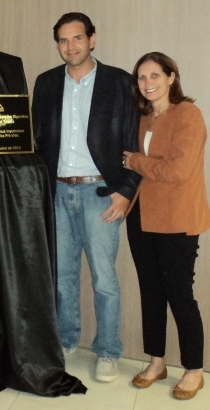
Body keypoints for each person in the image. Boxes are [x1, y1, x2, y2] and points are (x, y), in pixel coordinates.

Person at [32, 12, 140, 382]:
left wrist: (126, 192)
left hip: (101, 194)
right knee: (62, 277)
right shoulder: (46, 83)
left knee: (104, 279)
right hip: (58, 192)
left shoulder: (119, 82)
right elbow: (36, 142)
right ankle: (64, 341)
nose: (70, 46)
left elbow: (134, 143)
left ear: (92, 39)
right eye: (63, 40)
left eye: (77, 38)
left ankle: (108, 351)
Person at [124, 52, 209, 400]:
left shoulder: (188, 114)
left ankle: (194, 369)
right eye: (142, 77)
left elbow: (178, 170)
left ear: (171, 77)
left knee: (179, 293)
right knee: (151, 291)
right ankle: (156, 361)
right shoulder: (143, 116)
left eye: (155, 75)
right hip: (142, 216)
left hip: (177, 219)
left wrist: (136, 161)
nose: (148, 83)